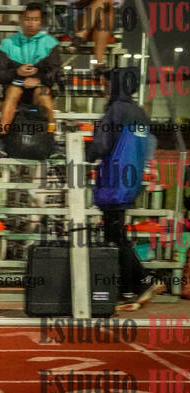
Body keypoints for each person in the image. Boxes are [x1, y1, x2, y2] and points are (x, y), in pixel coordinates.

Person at [88, 67, 164, 311]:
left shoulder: (115, 110)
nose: (104, 89)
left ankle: (143, 281)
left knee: (115, 237)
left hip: (114, 181)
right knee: (116, 234)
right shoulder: (140, 112)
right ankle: (128, 287)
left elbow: (101, 145)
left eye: (107, 84)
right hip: (130, 180)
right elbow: (149, 147)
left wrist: (85, 152)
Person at [0, 1, 61, 150]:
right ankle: (0, 140)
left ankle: (53, 139)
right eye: (28, 19)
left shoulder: (50, 43)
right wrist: (17, 72)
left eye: (35, 19)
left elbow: (55, 73)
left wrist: (38, 79)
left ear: (40, 22)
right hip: (14, 88)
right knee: (12, 91)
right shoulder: (8, 43)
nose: (31, 23)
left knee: (44, 94)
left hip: (40, 88)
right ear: (22, 20)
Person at [66, 0, 122, 71]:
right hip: (80, 21)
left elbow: (117, 3)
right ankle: (99, 61)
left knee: (104, 14)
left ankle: (80, 36)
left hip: (99, 29)